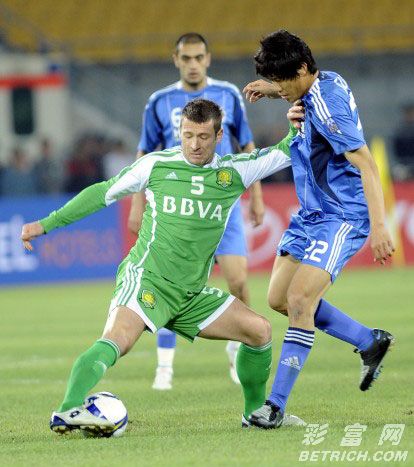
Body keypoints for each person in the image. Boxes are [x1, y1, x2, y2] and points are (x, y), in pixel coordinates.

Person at [21, 99, 301, 434]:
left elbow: (285, 151)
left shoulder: (235, 171)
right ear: (179, 132)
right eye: (187, 135)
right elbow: (102, 193)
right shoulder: (155, 165)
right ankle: (68, 410)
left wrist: (295, 124)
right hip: (148, 279)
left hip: (190, 293)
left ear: (218, 136)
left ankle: (254, 414)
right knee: (118, 339)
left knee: (259, 331)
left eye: (203, 137)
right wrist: (46, 224)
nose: (194, 144)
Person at [243, 30, 395, 429]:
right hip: (311, 213)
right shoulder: (320, 81)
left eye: (282, 80)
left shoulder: (328, 106)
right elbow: (307, 90)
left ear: (302, 69)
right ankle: (369, 341)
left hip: (342, 215)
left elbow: (367, 164)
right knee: (278, 298)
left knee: (299, 300)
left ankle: (274, 406)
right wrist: (277, 91)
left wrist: (380, 226)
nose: (279, 87)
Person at [128, 32, 265, 390]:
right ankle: (164, 366)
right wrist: (137, 202)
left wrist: (257, 196)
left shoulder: (228, 94)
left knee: (238, 281)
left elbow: (247, 145)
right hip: (177, 207)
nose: (192, 64)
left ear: (208, 59)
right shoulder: (159, 101)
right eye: (186, 58)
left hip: (222, 204)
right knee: (170, 283)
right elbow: (145, 153)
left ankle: (237, 351)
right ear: (176, 59)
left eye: (198, 57)